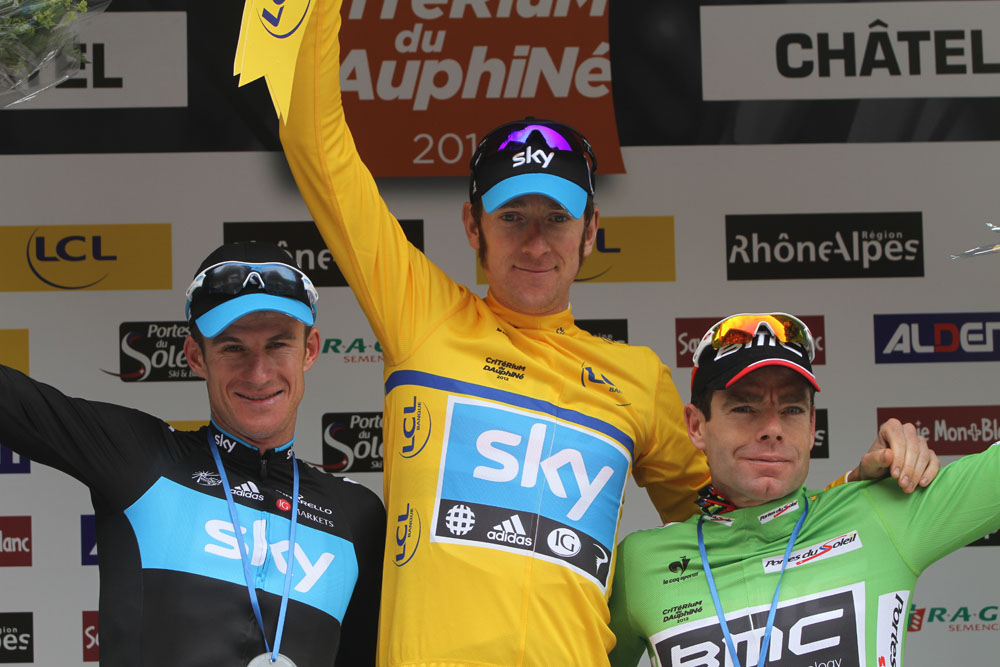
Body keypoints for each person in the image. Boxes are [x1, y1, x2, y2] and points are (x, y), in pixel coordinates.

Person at [273, 5, 937, 665]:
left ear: (590, 233)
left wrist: (851, 484)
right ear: (474, 228)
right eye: (513, 217)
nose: (535, 241)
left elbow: (729, 504)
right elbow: (314, 143)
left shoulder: (634, 375)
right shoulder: (421, 316)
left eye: (556, 218)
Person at [0, 241, 385, 667]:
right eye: (233, 347)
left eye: (278, 345)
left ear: (310, 350)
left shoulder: (358, 514)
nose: (258, 373)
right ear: (195, 356)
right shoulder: (141, 458)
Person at [607, 313, 998, 667]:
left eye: (792, 410)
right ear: (696, 426)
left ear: (812, 428)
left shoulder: (882, 511)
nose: (772, 428)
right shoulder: (639, 564)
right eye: (744, 408)